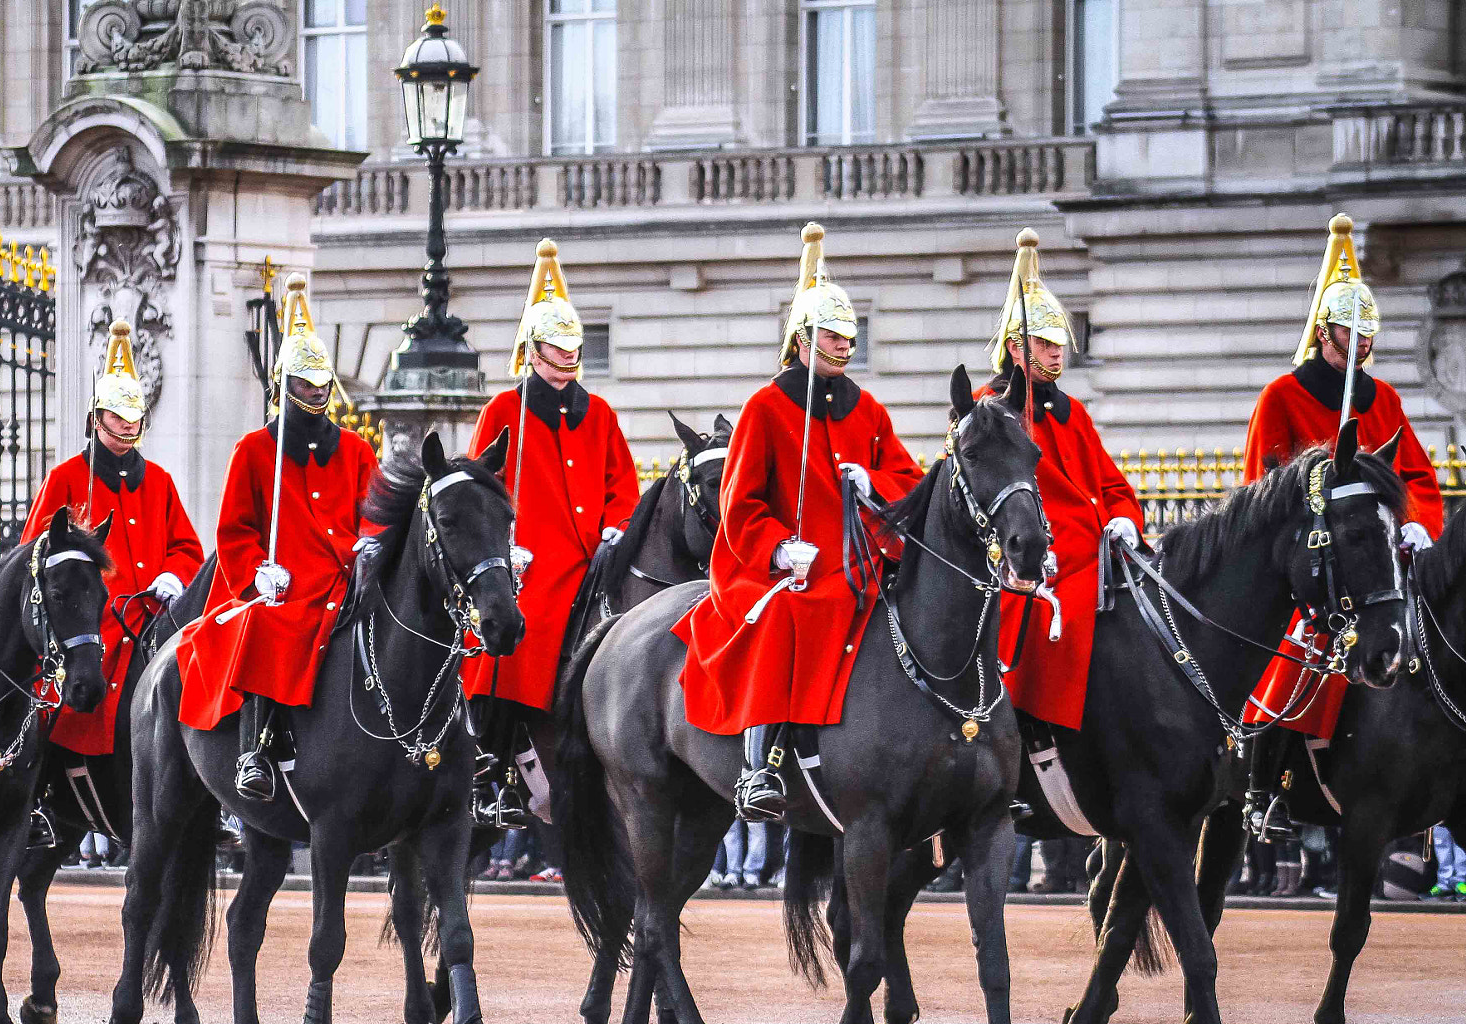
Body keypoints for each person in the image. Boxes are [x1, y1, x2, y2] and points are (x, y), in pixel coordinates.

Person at [675, 223, 925, 821]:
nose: (845, 345)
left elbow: (911, 485)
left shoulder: (868, 408)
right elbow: (740, 504)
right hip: (787, 568)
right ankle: (760, 766)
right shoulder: (766, 405)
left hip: (862, 561)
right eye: (834, 335)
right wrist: (780, 549)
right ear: (803, 339)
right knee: (787, 614)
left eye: (849, 334)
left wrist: (877, 486)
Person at [1240, 215, 1444, 838]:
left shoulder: (1383, 401)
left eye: (1367, 333)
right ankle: (1263, 788)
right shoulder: (1282, 396)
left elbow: (1419, 481)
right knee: (1296, 658)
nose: (1359, 342)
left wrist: (1416, 526)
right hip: (1313, 563)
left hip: (1375, 559)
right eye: (1349, 331)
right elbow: (1261, 492)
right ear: (1325, 332)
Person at [174, 273, 378, 800]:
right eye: (305, 385)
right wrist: (255, 572)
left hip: (342, 579)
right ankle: (254, 750)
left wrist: (371, 546)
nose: (316, 393)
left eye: (321, 384)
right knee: (267, 624)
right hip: (280, 583)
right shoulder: (253, 450)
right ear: (284, 386)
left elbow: (375, 513)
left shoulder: (355, 451)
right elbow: (234, 529)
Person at [461, 238, 638, 829]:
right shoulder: (503, 412)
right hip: (530, 565)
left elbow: (622, 484)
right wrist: (505, 549)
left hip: (591, 561)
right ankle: (494, 758)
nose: (566, 357)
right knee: (510, 643)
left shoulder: (602, 414)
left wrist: (616, 530)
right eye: (555, 348)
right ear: (531, 351)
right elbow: (478, 487)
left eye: (572, 348)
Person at [984, 230, 1145, 738]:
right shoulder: (991, 408)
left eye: (1060, 345)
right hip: (1039, 557)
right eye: (1045, 344)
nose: (1057, 355)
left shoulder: (1071, 410)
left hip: (1098, 552)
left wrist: (1124, 519)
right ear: (1015, 347)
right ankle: (1027, 733)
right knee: (1060, 620)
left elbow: (1110, 483)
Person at [23, 319, 203, 762]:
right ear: (96, 417)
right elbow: (35, 556)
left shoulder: (158, 482)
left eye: (132, 416)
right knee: (53, 708)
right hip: (92, 622)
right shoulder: (66, 478)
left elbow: (187, 548)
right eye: (117, 416)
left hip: (153, 618)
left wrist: (173, 575)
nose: (126, 424)